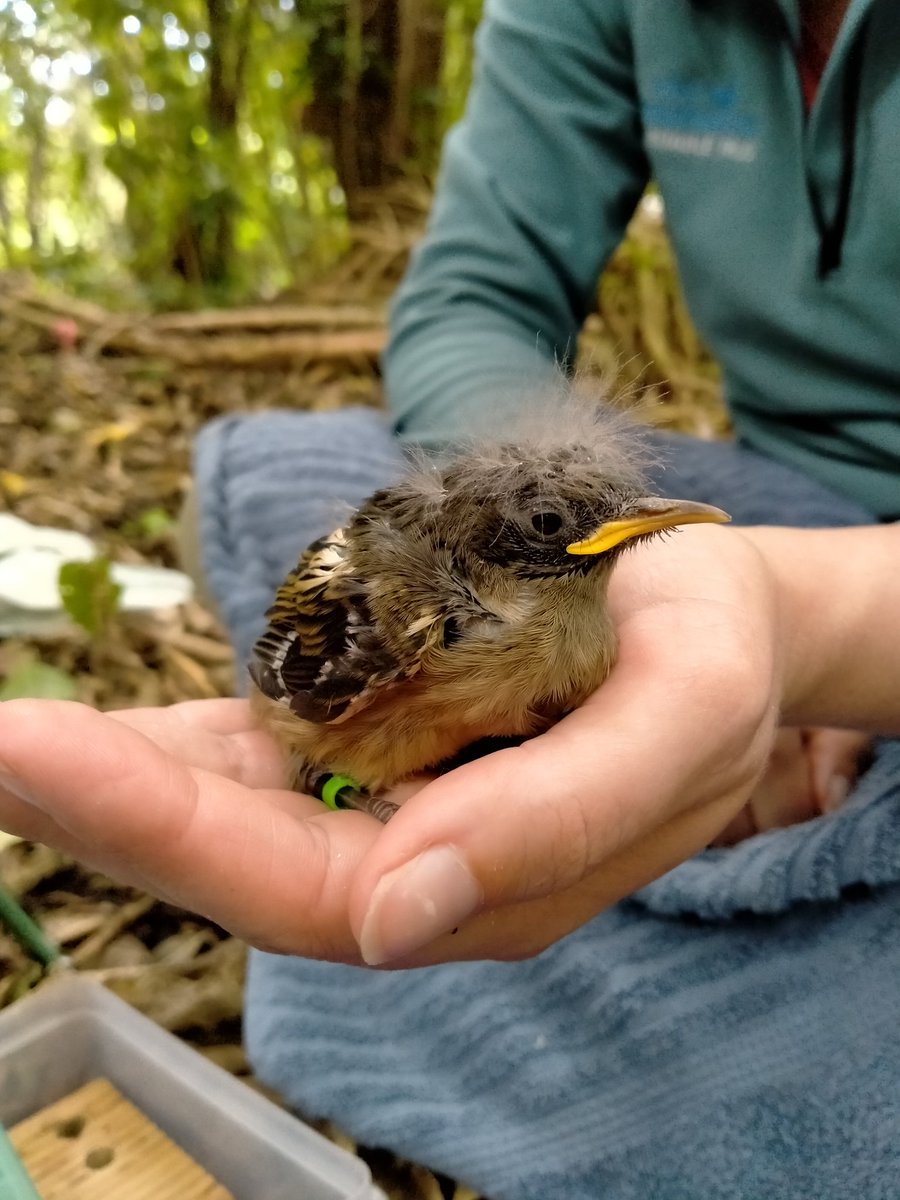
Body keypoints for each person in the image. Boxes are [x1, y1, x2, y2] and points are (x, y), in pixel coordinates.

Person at [2, 1, 899, 1195]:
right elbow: (475, 295)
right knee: (278, 465)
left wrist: (829, 620)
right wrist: (532, 500)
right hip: (724, 498)